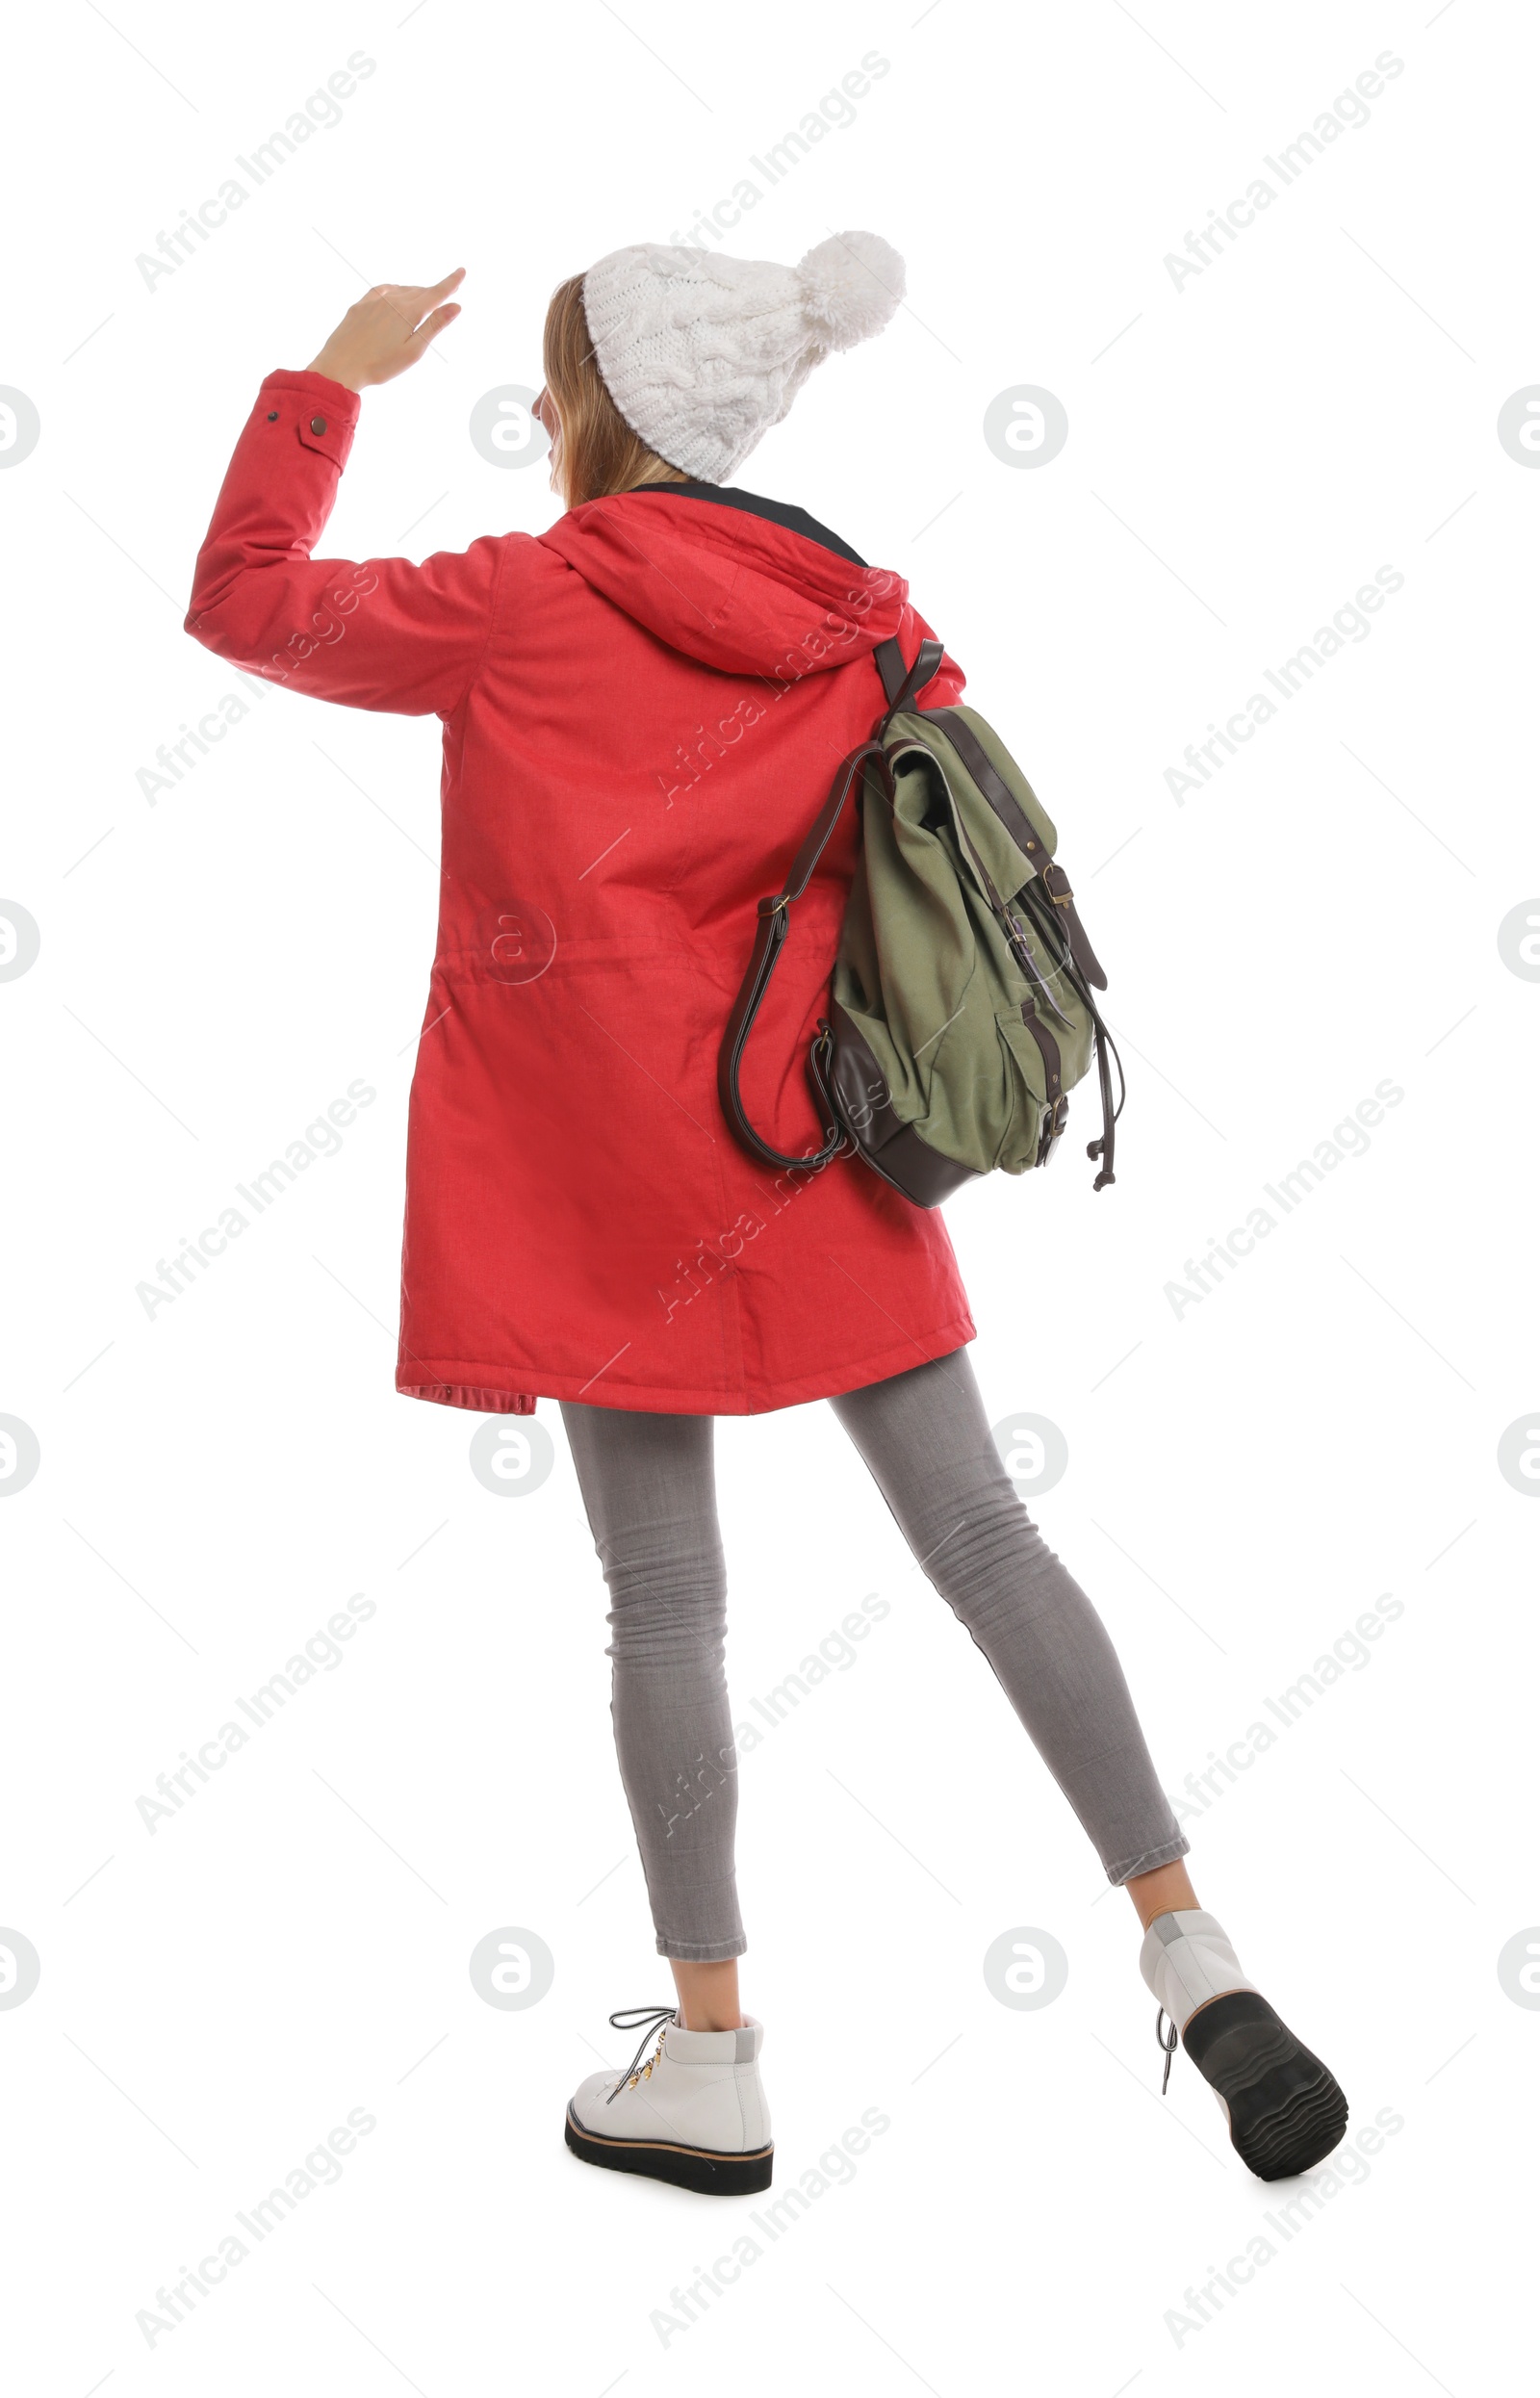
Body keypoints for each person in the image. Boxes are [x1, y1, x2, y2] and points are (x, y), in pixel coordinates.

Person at [185, 233, 1347, 2196]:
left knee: (664, 1605)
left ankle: (711, 2057)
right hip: (817, 1140)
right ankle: (1187, 1939)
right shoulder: (859, 618)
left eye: (558, 386)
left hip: (596, 1188)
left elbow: (245, 607)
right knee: (985, 1535)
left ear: (595, 413)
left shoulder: (519, 598)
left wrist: (326, 381)